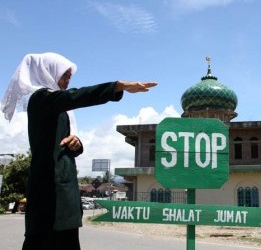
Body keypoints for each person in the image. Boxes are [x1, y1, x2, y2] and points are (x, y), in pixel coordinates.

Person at [0, 52, 157, 250]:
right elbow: (77, 96)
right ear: (48, 71)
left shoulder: (55, 105)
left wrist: (76, 143)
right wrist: (119, 86)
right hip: (50, 193)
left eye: (69, 77)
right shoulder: (42, 98)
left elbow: (60, 141)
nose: (66, 81)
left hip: (62, 192)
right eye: (64, 75)